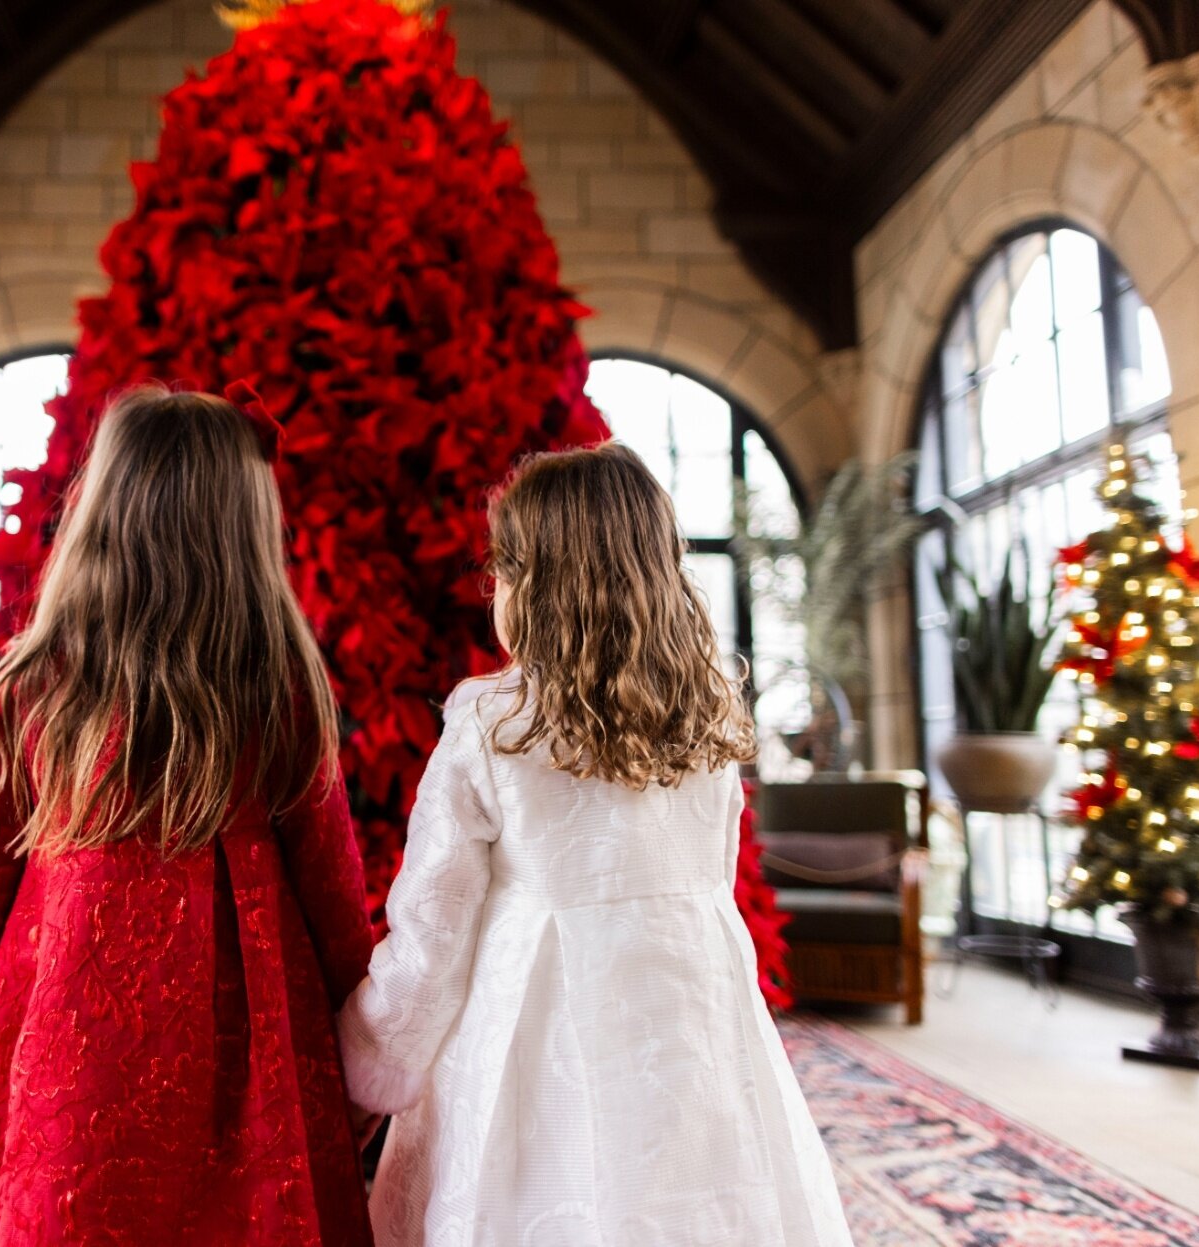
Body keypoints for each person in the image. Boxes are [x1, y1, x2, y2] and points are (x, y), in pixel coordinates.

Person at [338, 442, 853, 1246]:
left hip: (536, 1037)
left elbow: (433, 931)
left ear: (541, 584)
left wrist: (372, 1052)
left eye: (504, 567)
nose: (492, 588)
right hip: (688, 1020)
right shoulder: (709, 723)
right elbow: (711, 893)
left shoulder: (490, 724)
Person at [0, 386, 376, 1247]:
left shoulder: (31, 681)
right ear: (244, 525)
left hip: (60, 1008)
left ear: (104, 508)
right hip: (249, 1021)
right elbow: (332, 887)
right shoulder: (275, 685)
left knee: (69, 1201)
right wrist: (360, 1036)